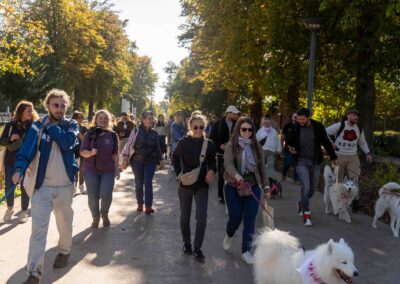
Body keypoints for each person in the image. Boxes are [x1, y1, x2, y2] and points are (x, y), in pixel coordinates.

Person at [13, 89, 79, 284]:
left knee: (64, 225)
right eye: (55, 105)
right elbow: (27, 150)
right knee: (38, 231)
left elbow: (67, 142)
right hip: (42, 188)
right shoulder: (37, 126)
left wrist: (49, 126)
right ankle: (34, 272)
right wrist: (19, 168)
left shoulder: (71, 125)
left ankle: (64, 250)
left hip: (65, 186)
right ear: (48, 106)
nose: (59, 109)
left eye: (62, 106)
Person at [222, 116, 269, 264]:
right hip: (233, 185)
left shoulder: (256, 146)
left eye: (250, 129)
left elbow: (262, 168)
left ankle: (246, 251)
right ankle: (229, 234)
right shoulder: (232, 145)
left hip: (253, 186)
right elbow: (228, 163)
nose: (247, 132)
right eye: (244, 129)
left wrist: (266, 186)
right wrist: (236, 175)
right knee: (235, 218)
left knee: (250, 220)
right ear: (238, 129)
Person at [173, 114, 216, 262]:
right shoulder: (183, 142)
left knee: (201, 217)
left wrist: (211, 170)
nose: (198, 130)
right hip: (185, 185)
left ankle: (198, 247)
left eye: (201, 127)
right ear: (190, 127)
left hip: (202, 185)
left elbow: (212, 161)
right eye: (195, 127)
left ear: (205, 127)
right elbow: (174, 156)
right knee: (185, 217)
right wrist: (178, 173)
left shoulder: (209, 144)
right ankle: (187, 244)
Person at [286, 108, 337, 227]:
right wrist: (290, 148)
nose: (300, 121)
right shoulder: (295, 127)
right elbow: (289, 142)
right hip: (301, 162)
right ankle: (306, 215)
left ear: (308, 117)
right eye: (298, 119)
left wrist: (333, 157)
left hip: (315, 162)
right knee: (306, 186)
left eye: (302, 119)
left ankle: (302, 203)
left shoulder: (318, 126)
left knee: (312, 189)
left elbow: (326, 142)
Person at [326, 108, 372, 212]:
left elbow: (362, 142)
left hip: (353, 156)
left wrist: (368, 153)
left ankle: (355, 202)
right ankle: (336, 201)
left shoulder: (359, 128)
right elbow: (325, 132)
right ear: (348, 115)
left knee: (355, 179)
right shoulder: (340, 125)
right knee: (337, 180)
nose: (355, 117)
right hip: (339, 155)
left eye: (357, 116)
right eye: (353, 115)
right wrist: (331, 143)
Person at [80, 110, 120, 228]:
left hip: (108, 170)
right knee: (93, 196)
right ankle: (95, 217)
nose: (103, 120)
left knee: (106, 194)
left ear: (109, 120)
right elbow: (82, 151)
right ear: (96, 120)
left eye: (105, 118)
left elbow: (115, 154)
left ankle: (104, 213)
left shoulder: (112, 135)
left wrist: (117, 169)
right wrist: (91, 153)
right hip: (90, 170)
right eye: (100, 118)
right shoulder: (89, 134)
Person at [1, 100, 39, 223]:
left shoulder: (34, 126)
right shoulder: (11, 125)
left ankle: (23, 211)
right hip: (10, 161)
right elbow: (2, 141)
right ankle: (10, 209)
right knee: (9, 186)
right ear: (21, 112)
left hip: (27, 162)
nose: (31, 112)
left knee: (24, 186)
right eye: (28, 110)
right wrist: (11, 138)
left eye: (31, 110)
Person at [121, 110, 162, 214]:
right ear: (143, 119)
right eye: (149, 118)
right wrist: (125, 157)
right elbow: (129, 145)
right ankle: (140, 203)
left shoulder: (154, 133)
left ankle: (148, 206)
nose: (151, 121)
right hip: (137, 161)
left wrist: (160, 160)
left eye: (152, 119)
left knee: (148, 182)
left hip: (150, 161)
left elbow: (157, 147)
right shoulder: (135, 131)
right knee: (139, 182)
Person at [209, 105, 240, 204]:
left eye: (236, 114)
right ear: (228, 113)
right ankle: (220, 195)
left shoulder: (238, 124)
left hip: (235, 153)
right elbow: (211, 138)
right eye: (234, 113)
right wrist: (220, 145)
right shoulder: (218, 124)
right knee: (222, 174)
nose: (235, 115)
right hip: (221, 154)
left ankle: (234, 194)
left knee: (234, 174)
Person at [256, 116, 282, 181]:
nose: (266, 123)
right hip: (262, 150)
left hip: (271, 151)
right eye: (265, 122)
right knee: (262, 165)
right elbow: (256, 140)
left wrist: (279, 149)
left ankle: (269, 179)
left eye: (268, 122)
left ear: (270, 123)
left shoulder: (274, 131)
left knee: (270, 165)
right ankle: (261, 178)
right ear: (263, 123)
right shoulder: (260, 131)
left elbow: (277, 140)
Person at [72, 111, 88, 194]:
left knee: (82, 170)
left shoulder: (84, 128)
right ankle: (74, 188)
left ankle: (81, 187)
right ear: (74, 118)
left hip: (82, 151)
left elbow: (85, 140)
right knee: (74, 170)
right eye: (79, 117)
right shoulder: (69, 127)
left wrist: (78, 133)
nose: (81, 119)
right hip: (73, 152)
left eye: (82, 117)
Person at [281, 113, 299, 182]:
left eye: (297, 117)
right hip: (289, 148)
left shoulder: (301, 127)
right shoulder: (287, 126)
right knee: (288, 162)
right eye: (294, 117)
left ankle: (296, 179)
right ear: (292, 117)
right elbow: (283, 137)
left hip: (298, 149)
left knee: (297, 164)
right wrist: (282, 147)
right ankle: (284, 174)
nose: (295, 118)